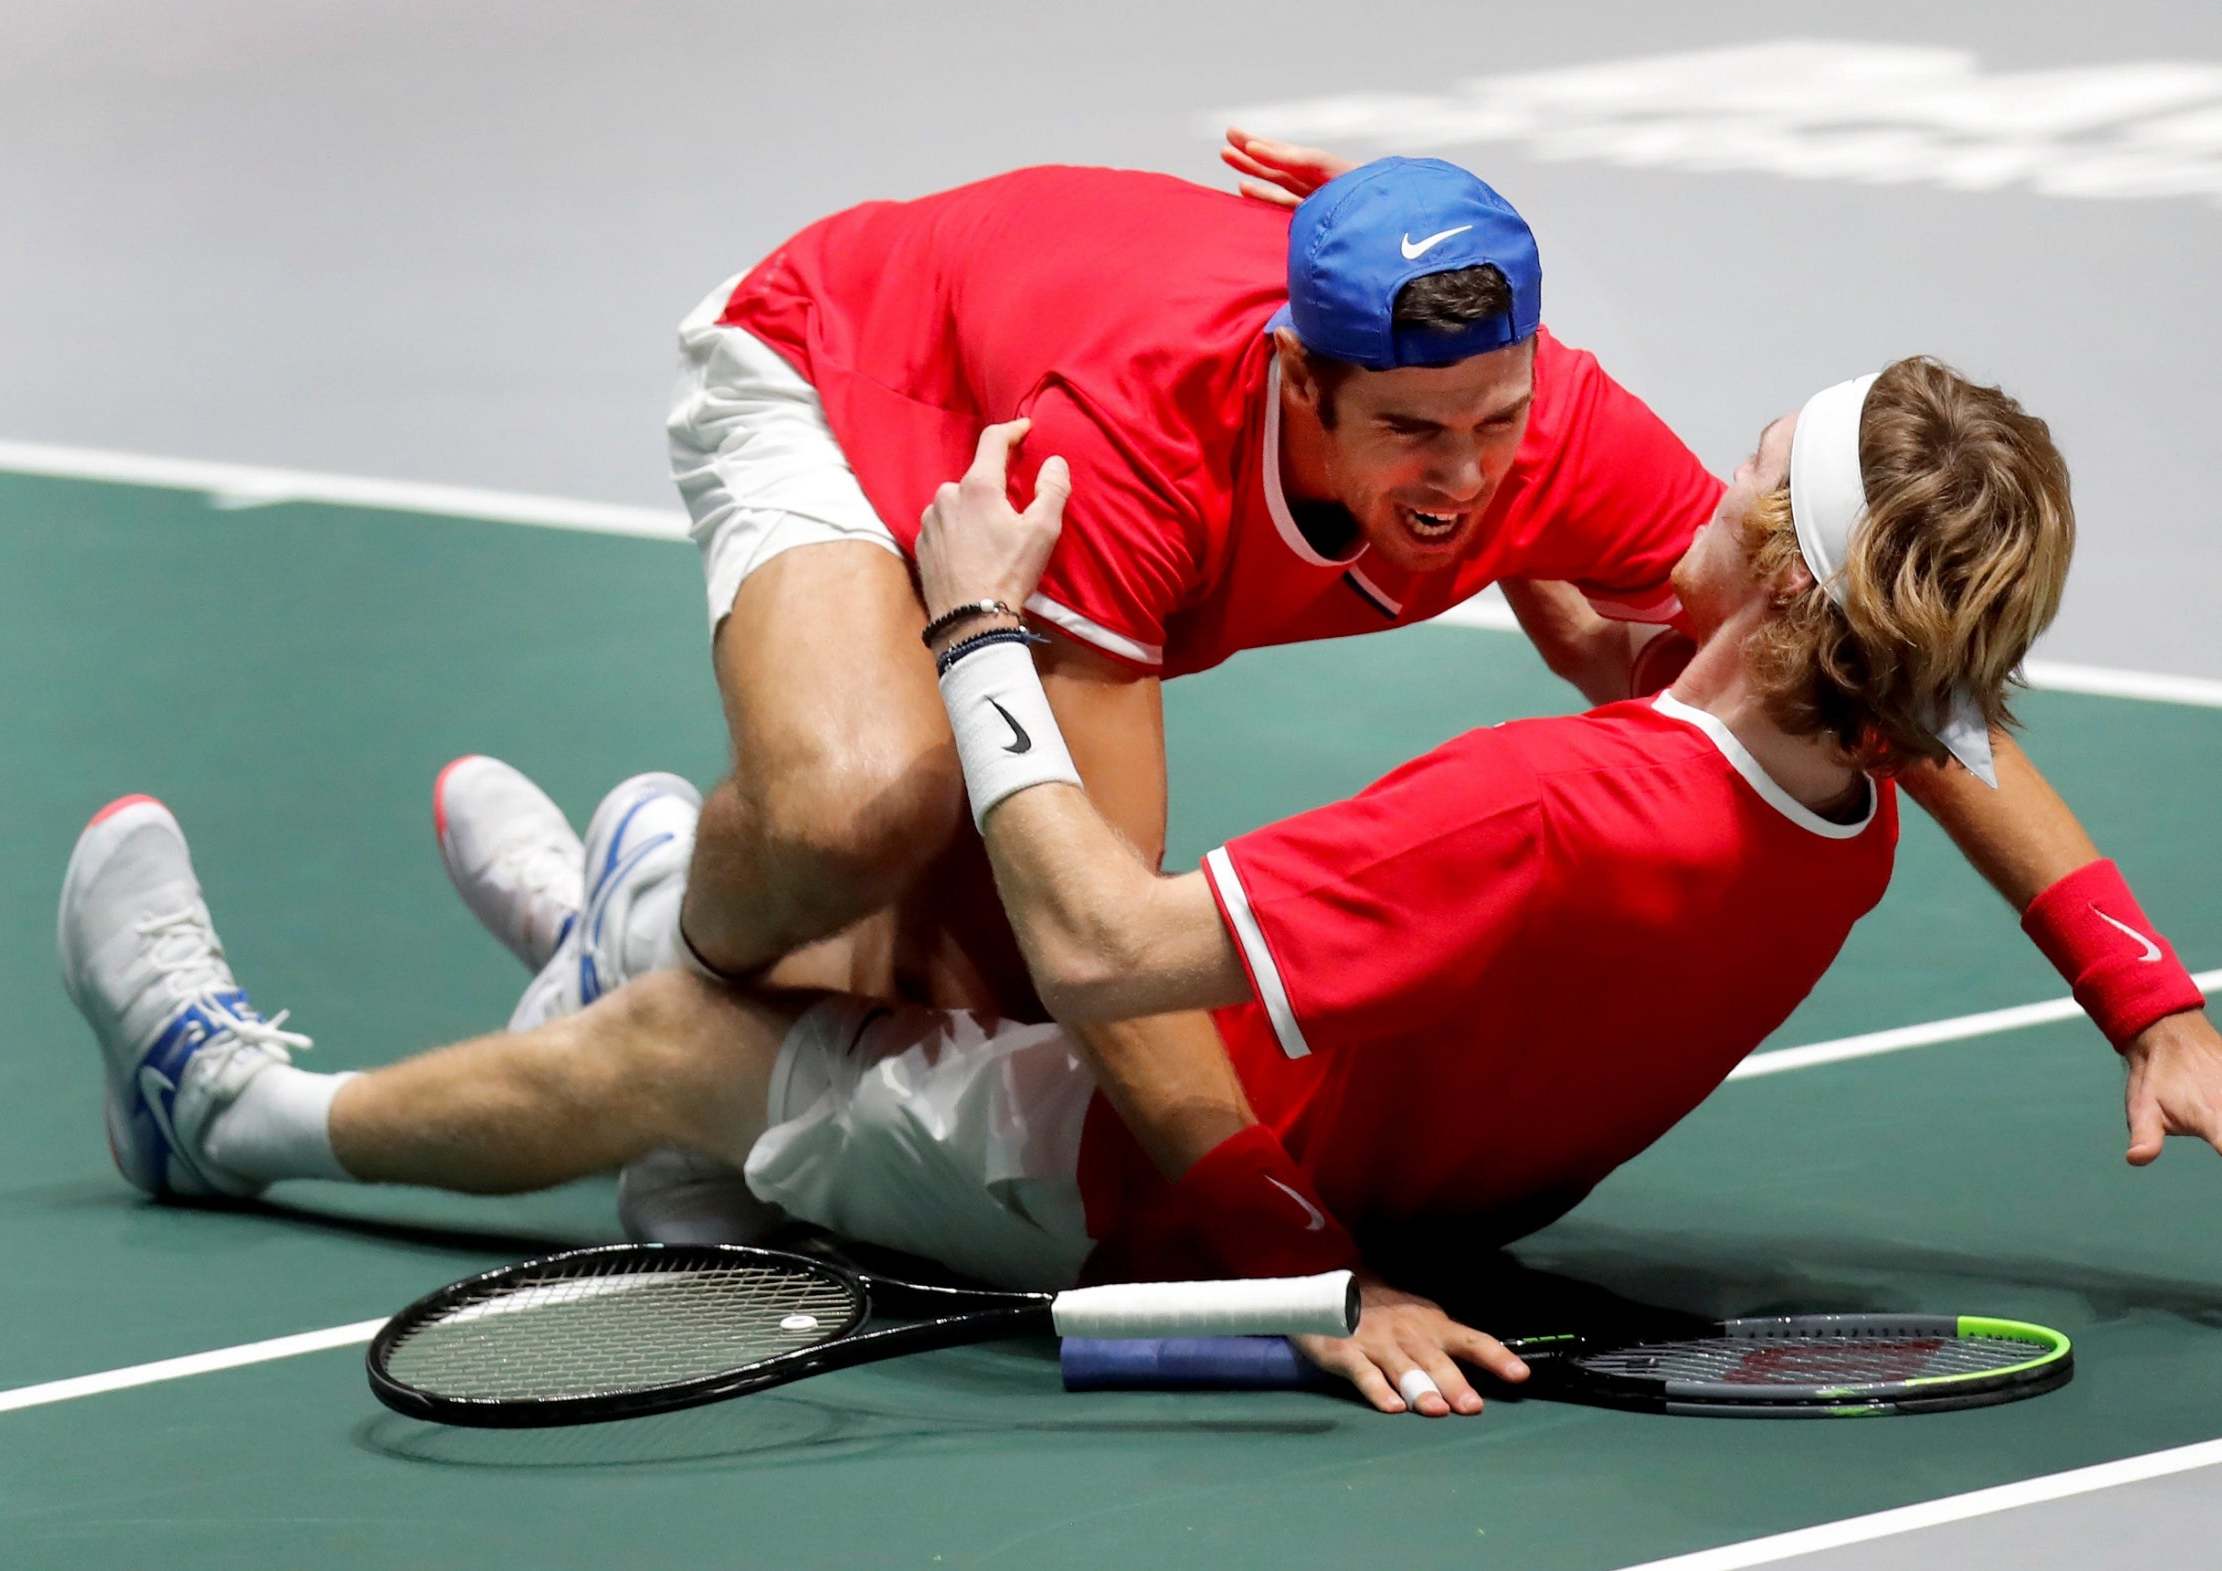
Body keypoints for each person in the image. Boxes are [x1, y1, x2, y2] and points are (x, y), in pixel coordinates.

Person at [58, 357, 2222, 1418]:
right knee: (885, 922)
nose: (1716, 468)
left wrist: (981, 620)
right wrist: (2146, 987)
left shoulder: (1552, 805)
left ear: (1784, 559)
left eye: (1758, 464)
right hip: (1396, 1160)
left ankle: (232, 1111)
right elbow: (1954, 734)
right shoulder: (1835, 799)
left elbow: (1104, 942)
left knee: (702, 1037)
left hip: (1138, 1175)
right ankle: (610, 897)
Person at [477, 151, 2209, 1260]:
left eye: (1500, 422)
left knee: (981, 966)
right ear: (1302, 379)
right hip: (861, 365)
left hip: (1069, 451)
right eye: (1412, 434)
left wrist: (2139, 993)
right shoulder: (1139, 452)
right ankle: (643, 955)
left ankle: (654, 1000)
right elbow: (1108, 941)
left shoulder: (1554, 443)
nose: (1465, 482)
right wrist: (1286, 1246)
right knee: (866, 803)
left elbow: (1886, 659)